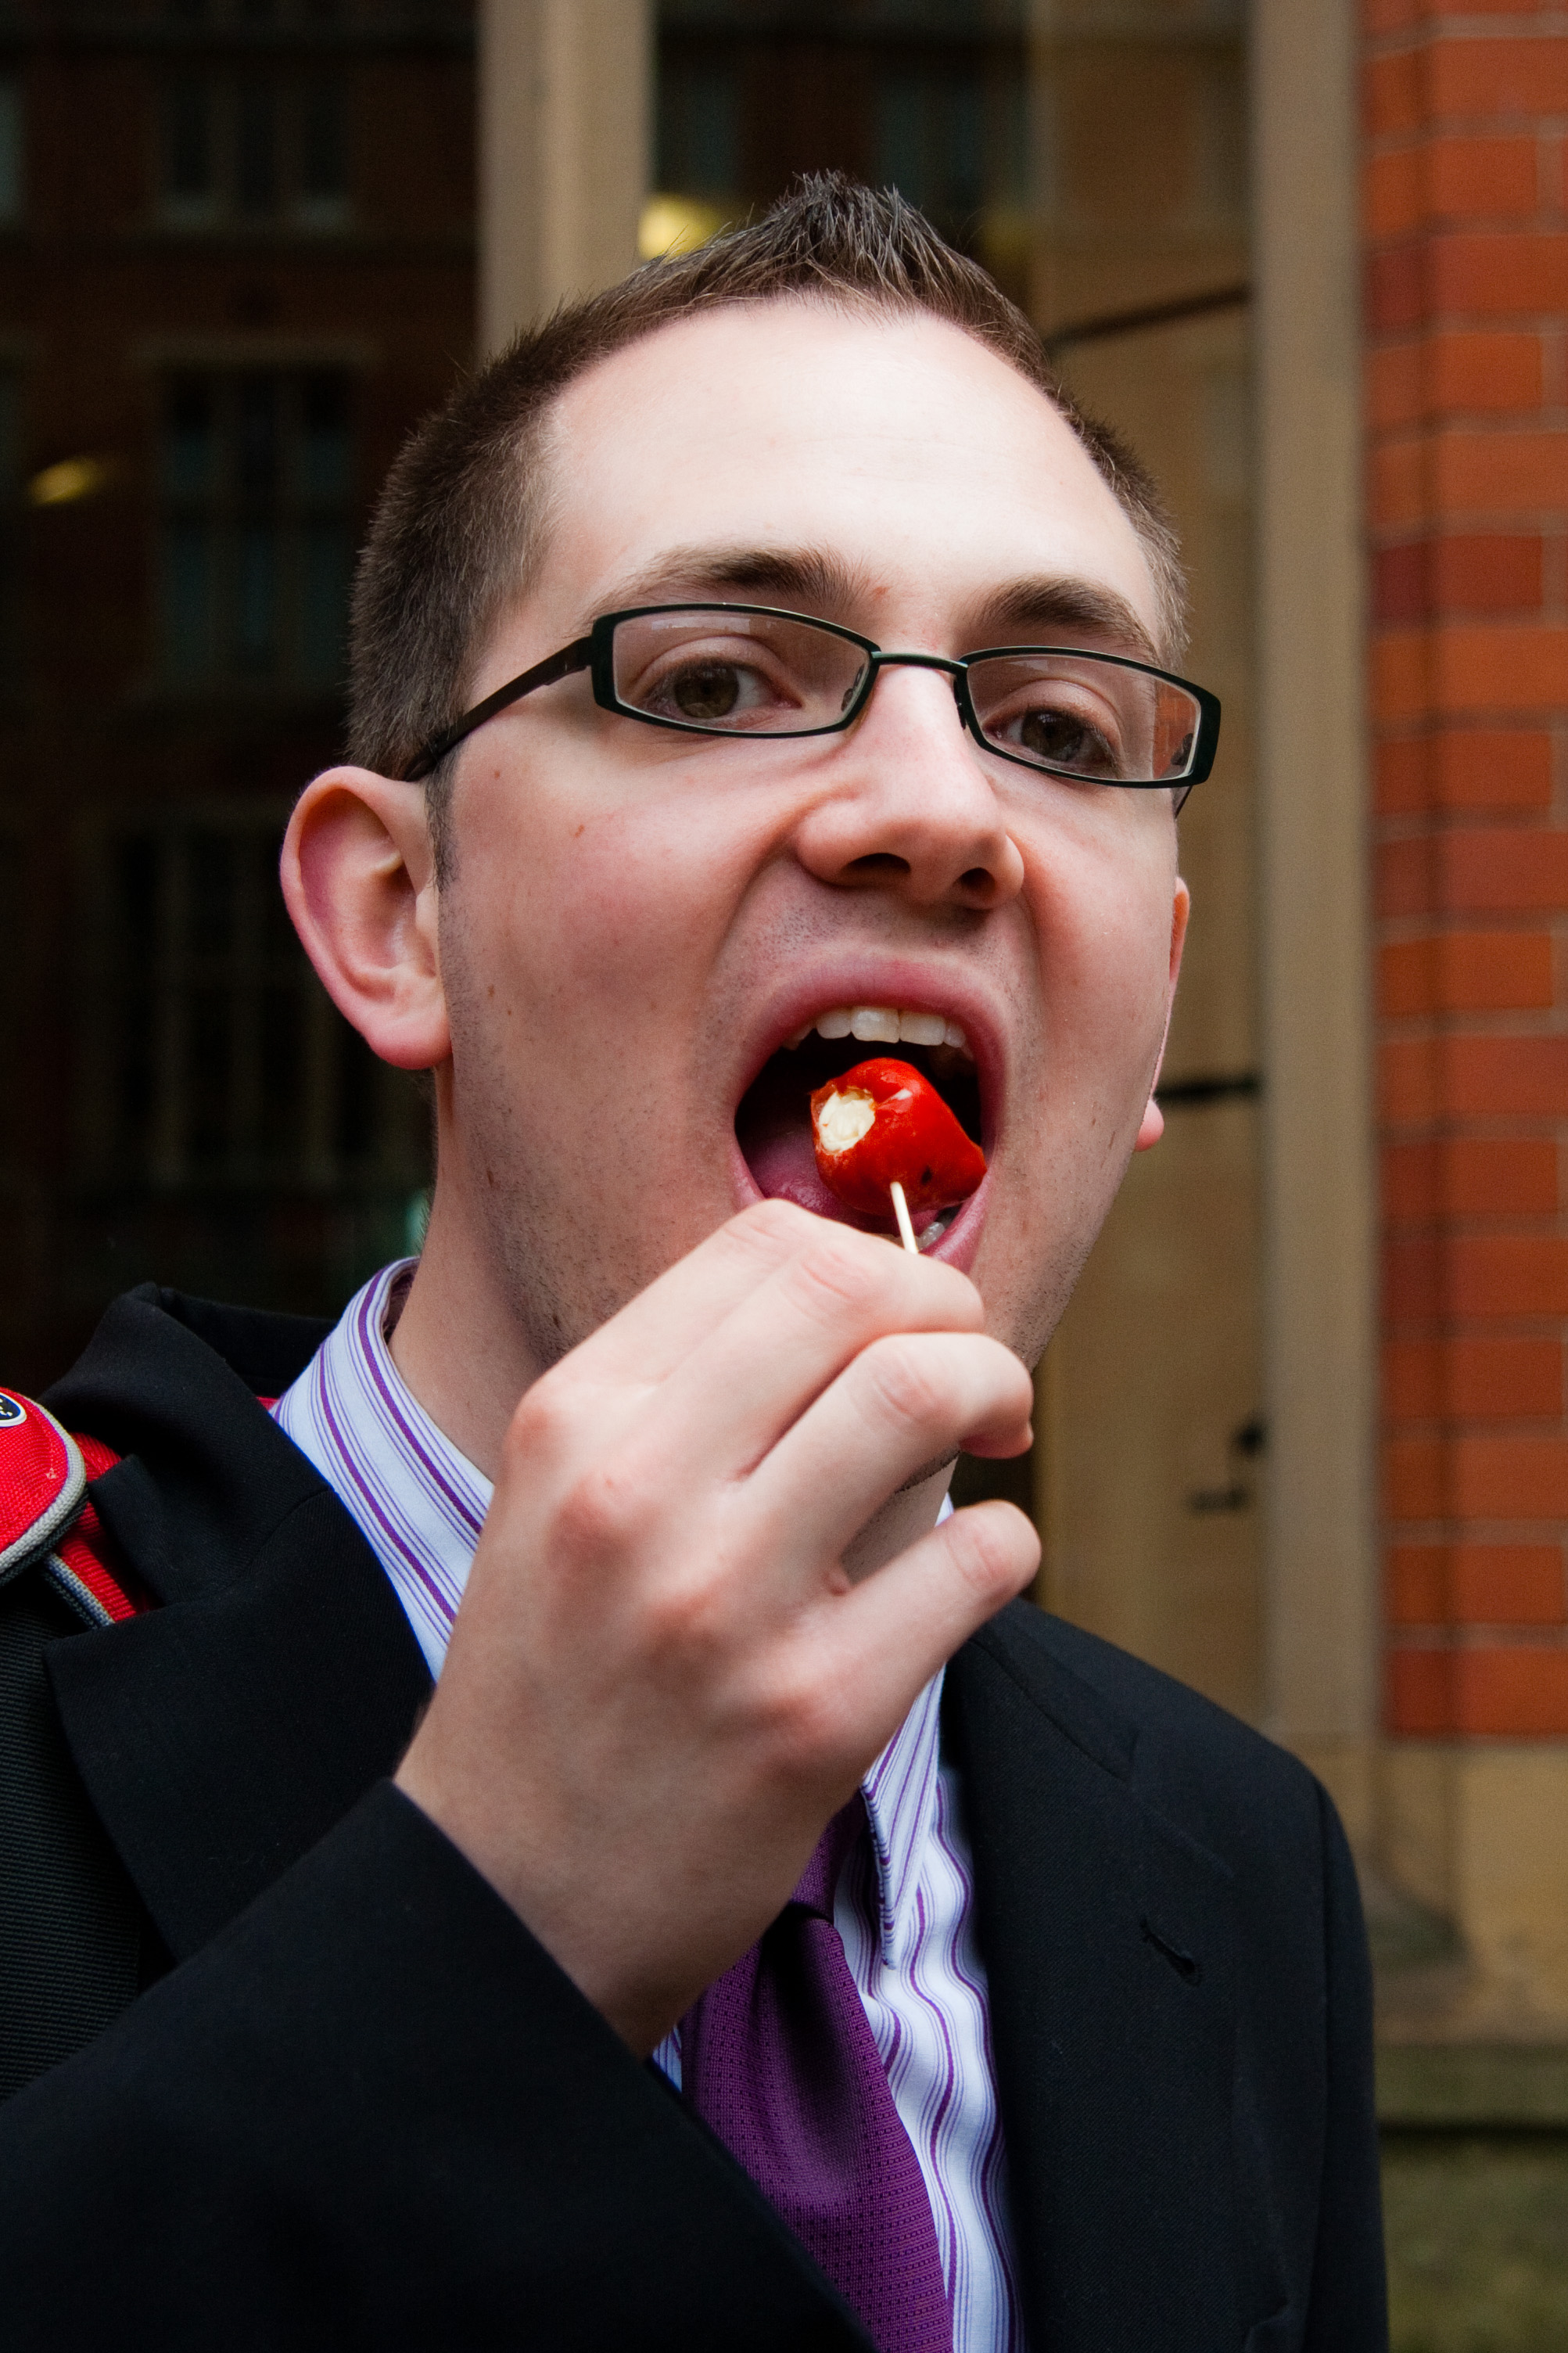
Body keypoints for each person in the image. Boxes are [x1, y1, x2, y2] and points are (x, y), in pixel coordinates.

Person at [0, 178, 1386, 2351]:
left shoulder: (1238, 1862)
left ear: (1157, 1013)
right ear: (399, 917)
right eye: (723, 678)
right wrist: (486, 1931)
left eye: (1053, 727)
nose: (940, 810)